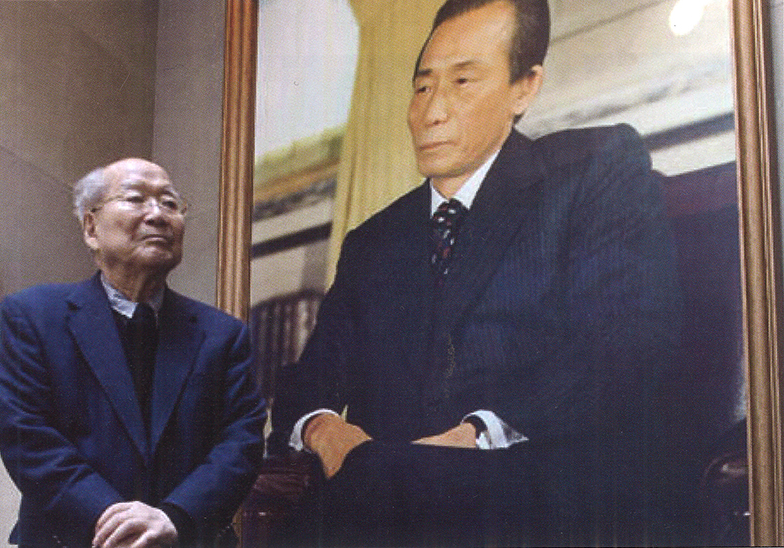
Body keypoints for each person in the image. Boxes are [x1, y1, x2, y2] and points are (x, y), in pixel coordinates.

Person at [269, 0, 681, 545]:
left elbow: (626, 345)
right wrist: (325, 430)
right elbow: (308, 383)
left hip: (532, 498)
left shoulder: (594, 170)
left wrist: (479, 434)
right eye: (421, 88)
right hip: (381, 497)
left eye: (463, 81)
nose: (432, 110)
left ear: (524, 87)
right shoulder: (372, 243)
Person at [0, 158, 266, 548]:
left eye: (170, 203)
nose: (157, 214)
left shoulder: (223, 336)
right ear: (91, 227)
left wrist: (175, 517)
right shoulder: (34, 317)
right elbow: (27, 436)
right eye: (136, 198)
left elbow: (241, 442)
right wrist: (109, 518)